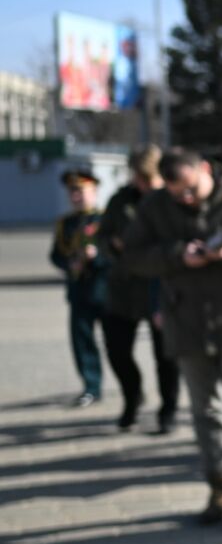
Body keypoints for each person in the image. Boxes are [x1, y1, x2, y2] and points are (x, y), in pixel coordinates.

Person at [123, 148, 222, 530]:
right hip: (188, 323)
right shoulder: (157, 207)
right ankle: (220, 486)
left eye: (191, 189)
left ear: (205, 170)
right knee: (205, 412)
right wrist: (180, 255)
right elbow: (133, 256)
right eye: (178, 194)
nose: (187, 199)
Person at [97, 145, 180, 433]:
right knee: (117, 350)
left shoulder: (171, 200)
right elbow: (103, 236)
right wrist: (113, 245)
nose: (140, 183)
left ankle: (168, 409)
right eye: (137, 177)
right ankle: (132, 397)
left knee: (166, 355)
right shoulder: (122, 200)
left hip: (162, 286)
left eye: (146, 177)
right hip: (124, 287)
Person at [49, 168, 108, 407]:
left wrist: (98, 257)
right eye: (73, 192)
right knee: (82, 341)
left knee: (116, 345)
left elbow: (119, 253)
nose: (77, 196)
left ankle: (130, 389)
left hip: (105, 291)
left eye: (81, 191)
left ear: (94, 192)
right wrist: (68, 263)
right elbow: (55, 255)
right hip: (79, 292)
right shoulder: (66, 224)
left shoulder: (105, 219)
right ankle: (91, 387)